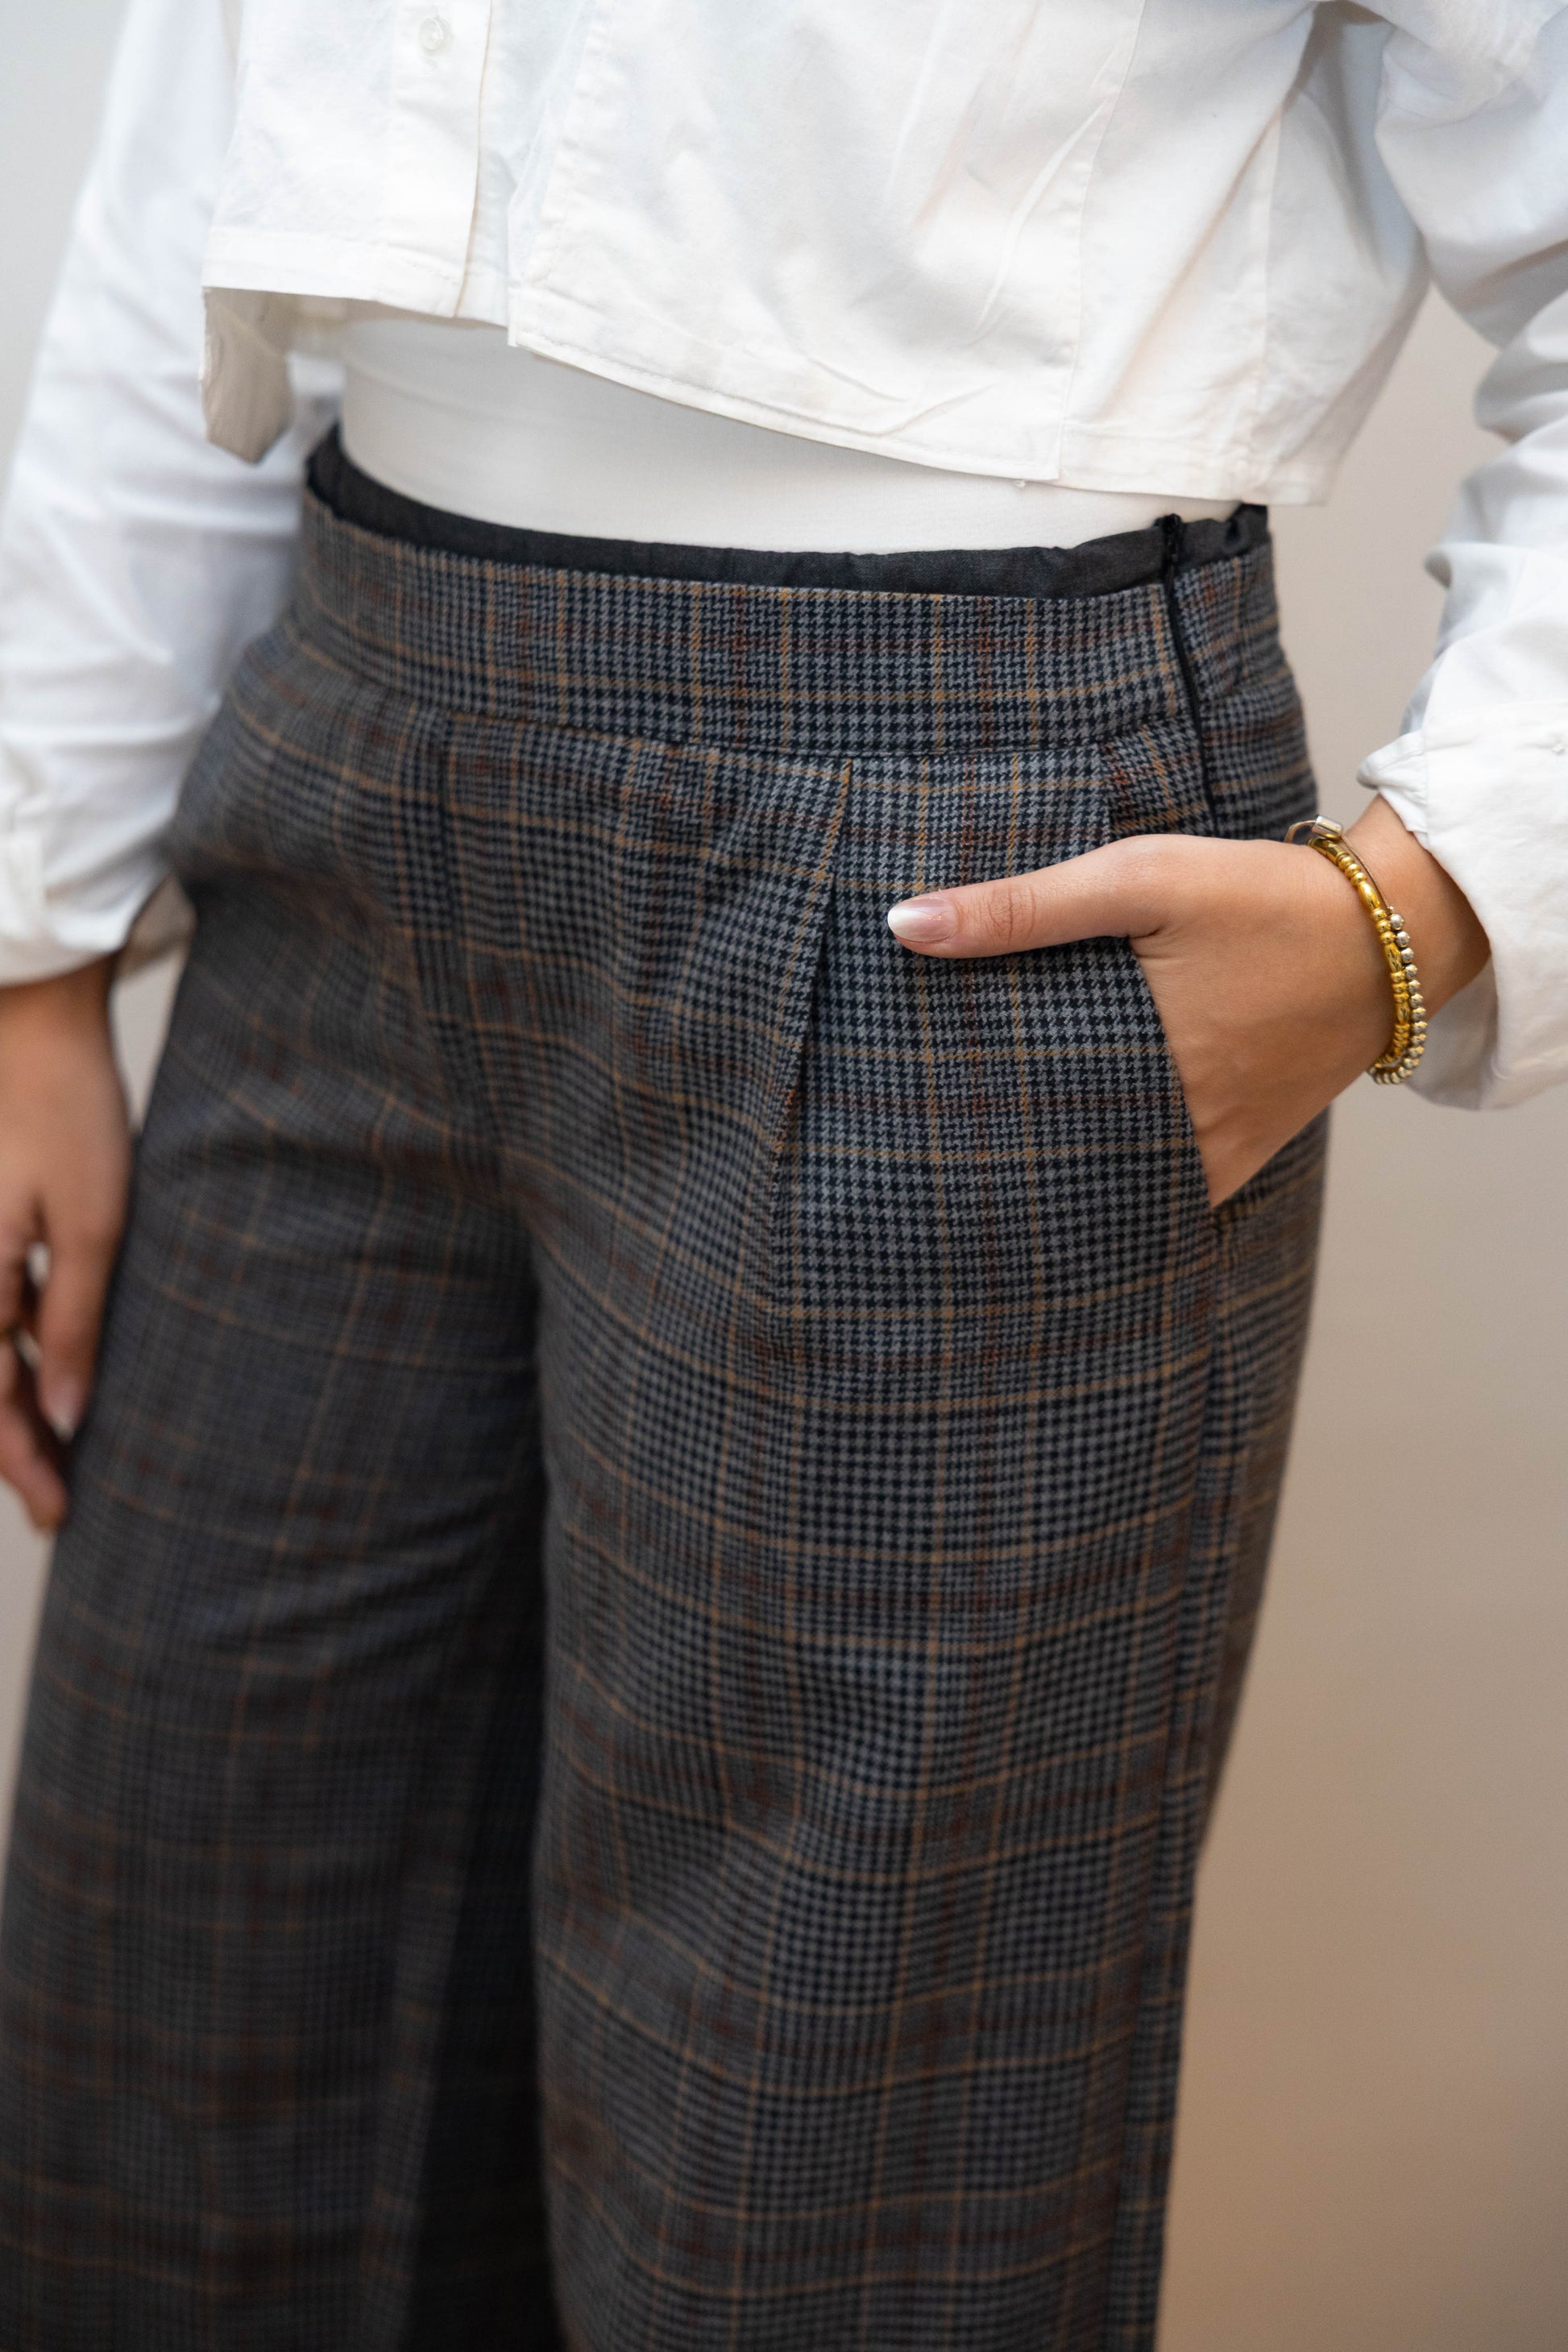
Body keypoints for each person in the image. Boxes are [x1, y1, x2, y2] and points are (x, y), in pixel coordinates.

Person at [0, 0, 1561, 2344]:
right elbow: (209, 128)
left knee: (824, 2209)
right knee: (185, 2085)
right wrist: (32, 948)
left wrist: (1428, 903)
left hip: (945, 827)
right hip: (338, 761)